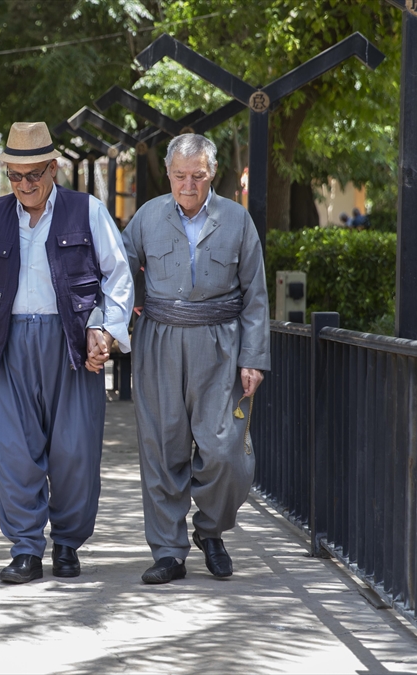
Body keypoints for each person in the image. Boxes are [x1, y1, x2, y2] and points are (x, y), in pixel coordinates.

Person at [0, 121, 134, 584]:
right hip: (9, 343)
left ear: (53, 169)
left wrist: (106, 330)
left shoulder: (87, 210)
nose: (25, 184)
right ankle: (25, 548)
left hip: (71, 342)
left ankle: (68, 544)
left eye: (34, 174)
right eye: (16, 176)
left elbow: (117, 278)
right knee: (15, 453)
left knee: (74, 452)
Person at [121, 133, 270, 584]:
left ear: (212, 175)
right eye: (180, 176)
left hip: (221, 346)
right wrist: (110, 324)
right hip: (159, 343)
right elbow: (119, 273)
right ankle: (168, 551)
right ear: (168, 174)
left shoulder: (237, 220)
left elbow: (256, 296)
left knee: (225, 452)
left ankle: (210, 531)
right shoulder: (147, 217)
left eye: (198, 176)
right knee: (162, 449)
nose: (189, 185)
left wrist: (253, 358)